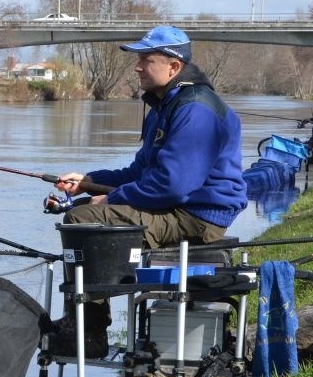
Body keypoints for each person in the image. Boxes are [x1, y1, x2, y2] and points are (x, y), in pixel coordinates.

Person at [46, 25, 247, 356]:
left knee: (83, 221)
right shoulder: (166, 104)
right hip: (180, 207)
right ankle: (81, 322)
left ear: (173, 66)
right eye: (138, 59)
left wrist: (112, 197)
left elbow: (174, 184)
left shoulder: (195, 109)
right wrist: (87, 181)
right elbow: (141, 172)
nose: (137, 67)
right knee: (83, 205)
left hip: (197, 216)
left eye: (146, 59)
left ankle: (87, 335)